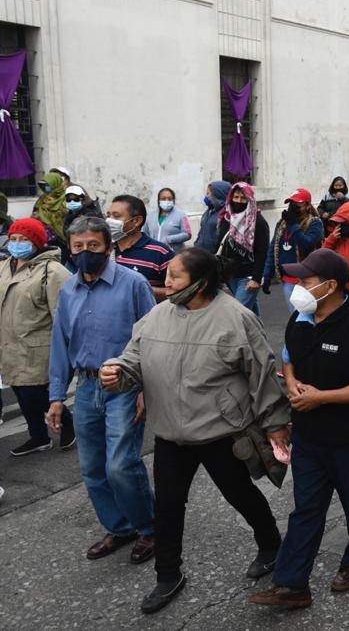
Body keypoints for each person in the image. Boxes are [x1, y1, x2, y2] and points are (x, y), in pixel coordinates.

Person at [100, 248, 291, 613]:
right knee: (169, 506)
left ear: (201, 283)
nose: (166, 282)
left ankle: (270, 544)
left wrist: (276, 423)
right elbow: (132, 360)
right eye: (167, 275)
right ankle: (168, 575)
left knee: (240, 494)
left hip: (220, 432)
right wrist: (117, 373)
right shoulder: (157, 316)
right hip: (170, 433)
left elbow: (262, 374)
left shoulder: (237, 318)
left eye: (174, 276)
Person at [250, 250, 349, 609]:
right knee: (306, 510)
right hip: (309, 438)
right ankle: (292, 584)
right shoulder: (301, 318)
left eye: (306, 281)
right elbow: (288, 358)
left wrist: (321, 398)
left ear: (330, 286)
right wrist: (293, 383)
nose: (297, 287)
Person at [47, 216, 156, 564]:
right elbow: (61, 345)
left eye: (93, 245)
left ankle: (151, 528)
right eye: (77, 247)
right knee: (92, 468)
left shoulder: (134, 284)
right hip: (86, 386)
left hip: (124, 384)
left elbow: (151, 340)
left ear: (109, 247)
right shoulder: (69, 289)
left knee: (121, 465)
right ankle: (119, 527)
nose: (85, 253)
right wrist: (56, 397)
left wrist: (144, 387)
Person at [0, 218, 75, 456]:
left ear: (37, 242)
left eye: (24, 239)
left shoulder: (52, 271)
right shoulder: (4, 266)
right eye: (14, 239)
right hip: (9, 343)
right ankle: (38, 436)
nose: (17, 244)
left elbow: (63, 314)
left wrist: (65, 348)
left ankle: (67, 422)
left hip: (38, 345)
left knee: (35, 392)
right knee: (21, 391)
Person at [262, 188, 325, 308]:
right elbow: (272, 249)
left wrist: (293, 225)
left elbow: (307, 243)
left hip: (307, 279)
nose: (293, 207)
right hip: (288, 279)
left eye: (298, 204)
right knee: (295, 317)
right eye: (292, 203)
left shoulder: (315, 223)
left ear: (307, 206)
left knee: (307, 316)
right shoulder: (282, 223)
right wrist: (267, 276)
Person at [108, 195, 175, 302]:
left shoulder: (161, 252)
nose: (109, 221)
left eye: (116, 216)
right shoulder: (106, 249)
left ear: (136, 221)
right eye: (108, 215)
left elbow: (177, 291)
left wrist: (140, 289)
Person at [217, 182, 270, 315]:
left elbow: (262, 252)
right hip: (230, 274)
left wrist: (256, 279)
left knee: (238, 313)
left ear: (250, 199)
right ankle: (257, 335)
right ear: (231, 198)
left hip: (248, 276)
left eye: (243, 198)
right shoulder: (226, 218)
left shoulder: (258, 221)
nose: (239, 201)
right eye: (236, 197)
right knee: (250, 312)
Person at [144, 188, 192, 253]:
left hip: (173, 254)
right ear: (159, 200)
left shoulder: (181, 215)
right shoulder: (150, 215)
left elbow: (187, 234)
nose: (167, 201)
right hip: (154, 253)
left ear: (173, 200)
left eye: (170, 199)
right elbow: (144, 233)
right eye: (163, 199)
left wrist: (169, 239)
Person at [195, 180, 231, 253]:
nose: (206, 196)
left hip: (213, 256)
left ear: (218, 195)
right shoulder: (208, 212)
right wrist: (196, 244)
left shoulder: (226, 215)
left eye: (208, 193)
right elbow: (201, 231)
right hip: (200, 253)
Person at [33, 170, 68, 245]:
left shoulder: (66, 198)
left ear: (55, 184)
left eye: (47, 185)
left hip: (64, 236)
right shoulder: (42, 199)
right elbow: (35, 212)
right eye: (43, 185)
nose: (45, 188)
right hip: (45, 237)